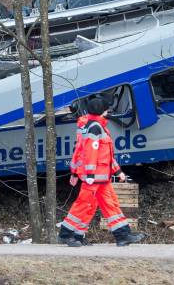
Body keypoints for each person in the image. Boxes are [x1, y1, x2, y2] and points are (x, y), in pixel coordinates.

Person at [59, 97, 147, 247]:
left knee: (110, 204)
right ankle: (66, 234)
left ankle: (122, 235)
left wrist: (117, 171)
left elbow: (105, 155)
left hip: (101, 177)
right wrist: (90, 174)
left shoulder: (95, 126)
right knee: (84, 204)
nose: (108, 111)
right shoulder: (95, 127)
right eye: (107, 109)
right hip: (93, 178)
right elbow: (89, 153)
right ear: (102, 111)